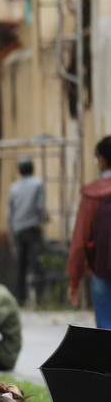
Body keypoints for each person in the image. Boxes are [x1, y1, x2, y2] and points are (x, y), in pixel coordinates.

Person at [67, 135, 111, 328]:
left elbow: (79, 240)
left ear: (101, 160)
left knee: (106, 330)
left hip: (102, 268)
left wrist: (74, 280)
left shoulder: (92, 195)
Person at [6, 157, 46, 304]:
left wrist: (11, 231)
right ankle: (38, 298)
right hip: (33, 228)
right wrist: (44, 220)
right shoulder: (38, 184)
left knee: (20, 265)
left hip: (18, 230)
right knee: (36, 265)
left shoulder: (14, 187)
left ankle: (21, 298)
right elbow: (40, 207)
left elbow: (9, 213)